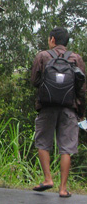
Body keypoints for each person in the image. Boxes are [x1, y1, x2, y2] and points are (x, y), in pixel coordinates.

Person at [31, 27, 86, 198]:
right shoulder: (76, 58)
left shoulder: (42, 56)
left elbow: (34, 81)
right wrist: (81, 112)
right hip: (69, 108)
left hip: (46, 107)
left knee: (42, 142)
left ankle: (48, 179)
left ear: (52, 39)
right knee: (66, 149)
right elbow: (83, 89)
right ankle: (62, 189)